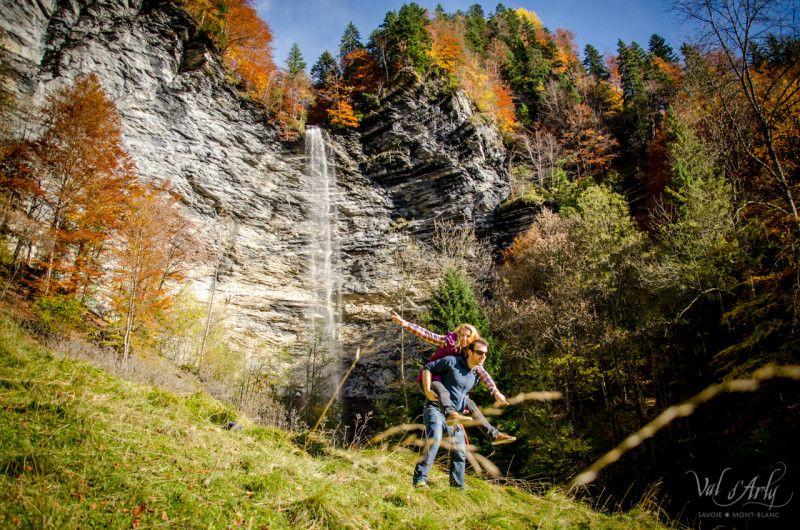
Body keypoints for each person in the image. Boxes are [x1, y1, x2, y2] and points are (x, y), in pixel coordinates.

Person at [391, 310, 515, 445]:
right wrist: (404, 323)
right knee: (443, 392)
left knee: (470, 404)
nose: (464, 339)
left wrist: (495, 391)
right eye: (461, 335)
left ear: (473, 338)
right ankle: (450, 414)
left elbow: (483, 373)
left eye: (468, 336)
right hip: (431, 378)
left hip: (445, 384)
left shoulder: (471, 354)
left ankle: (494, 435)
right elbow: (427, 335)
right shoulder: (448, 341)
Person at [413, 339, 491, 489]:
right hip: (435, 408)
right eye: (480, 353)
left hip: (455, 415)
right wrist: (428, 390)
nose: (483, 356)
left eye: (486, 354)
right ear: (470, 352)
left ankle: (457, 488)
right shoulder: (451, 361)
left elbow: (464, 394)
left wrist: (463, 406)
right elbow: (427, 368)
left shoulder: (474, 375)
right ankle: (420, 479)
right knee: (434, 439)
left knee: (459, 451)